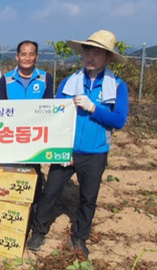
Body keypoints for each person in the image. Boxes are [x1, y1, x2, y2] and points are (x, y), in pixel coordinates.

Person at [26, 30, 129, 257]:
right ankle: (39, 231)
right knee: (51, 191)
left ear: (107, 57)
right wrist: (63, 147)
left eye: (97, 54)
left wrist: (94, 108)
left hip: (95, 152)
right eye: (87, 52)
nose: (90, 58)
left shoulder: (117, 86)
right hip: (67, 149)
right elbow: (57, 116)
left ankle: (80, 237)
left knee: (88, 197)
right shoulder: (69, 82)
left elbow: (119, 120)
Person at [0, 41, 54, 212]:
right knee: (11, 172)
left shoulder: (45, 78)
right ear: (17, 56)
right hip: (12, 137)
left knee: (33, 173)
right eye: (23, 54)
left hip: (34, 138)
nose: (27, 58)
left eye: (31, 54)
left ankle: (32, 210)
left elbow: (49, 108)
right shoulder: (6, 80)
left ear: (36, 56)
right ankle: (10, 209)